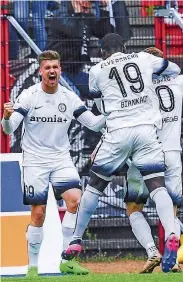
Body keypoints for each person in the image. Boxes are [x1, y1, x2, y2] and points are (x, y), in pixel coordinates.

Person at [62, 33, 182, 273]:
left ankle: (76, 238)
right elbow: (175, 69)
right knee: (158, 186)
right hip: (147, 131)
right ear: (125, 47)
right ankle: (171, 233)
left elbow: (99, 106)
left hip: (117, 132)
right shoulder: (143, 58)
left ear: (103, 52)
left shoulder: (97, 71)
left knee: (94, 187)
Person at [1, 50, 107, 277]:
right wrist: (6, 116)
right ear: (41, 71)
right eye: (48, 67)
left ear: (60, 70)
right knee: (38, 214)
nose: (52, 71)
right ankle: (32, 266)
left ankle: (66, 260)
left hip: (61, 159)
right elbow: (9, 129)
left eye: (55, 67)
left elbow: (94, 124)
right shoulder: (29, 96)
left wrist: (115, 112)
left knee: (75, 201)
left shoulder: (69, 98)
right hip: (35, 161)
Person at [122, 46, 183, 274]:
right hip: (172, 153)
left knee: (134, 207)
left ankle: (152, 251)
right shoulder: (178, 83)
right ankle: (172, 258)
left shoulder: (138, 92)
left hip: (145, 153)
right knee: (170, 208)